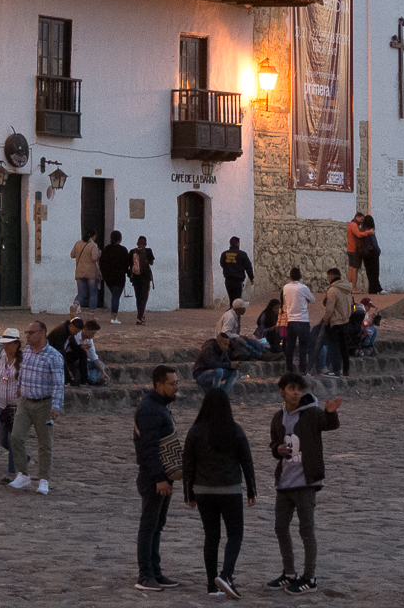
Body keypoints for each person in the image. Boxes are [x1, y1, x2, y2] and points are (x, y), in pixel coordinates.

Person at [267, 372, 342, 595]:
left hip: (306, 482)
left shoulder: (311, 414)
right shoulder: (277, 417)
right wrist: (276, 449)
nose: (296, 392)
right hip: (284, 482)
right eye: (291, 388)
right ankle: (289, 573)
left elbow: (329, 425)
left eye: (299, 388)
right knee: (280, 527)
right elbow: (274, 443)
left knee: (306, 530)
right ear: (282, 391)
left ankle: (310, 577)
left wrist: (330, 414)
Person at [183, 387, 256, 600]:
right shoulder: (234, 430)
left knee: (211, 536)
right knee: (235, 534)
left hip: (204, 491)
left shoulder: (195, 431)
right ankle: (226, 574)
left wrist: (188, 494)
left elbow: (188, 464)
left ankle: (211, 585)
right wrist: (252, 490)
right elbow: (246, 461)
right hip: (230, 490)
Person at [134, 364, 182, 591]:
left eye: (176, 383)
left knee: (157, 525)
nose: (175, 388)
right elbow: (148, 448)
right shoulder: (150, 409)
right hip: (154, 477)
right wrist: (159, 478)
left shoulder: (158, 406)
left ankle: (155, 571)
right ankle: (145, 575)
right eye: (172, 384)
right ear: (158, 385)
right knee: (149, 525)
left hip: (162, 476)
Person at [8, 318, 63, 494]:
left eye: (31, 333)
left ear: (42, 333)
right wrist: (19, 387)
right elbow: (21, 373)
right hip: (25, 402)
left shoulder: (54, 356)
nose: (28, 336)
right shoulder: (27, 353)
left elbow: (58, 383)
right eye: (27, 333)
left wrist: (55, 406)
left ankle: (44, 479)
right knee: (16, 436)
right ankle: (22, 473)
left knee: (45, 443)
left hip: (44, 404)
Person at [0, 327, 23, 481]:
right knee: (2, 439)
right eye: (4, 343)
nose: (6, 346)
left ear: (16, 344)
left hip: (17, 406)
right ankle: (21, 456)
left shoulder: (23, 362)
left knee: (12, 438)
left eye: (9, 343)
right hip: (2, 404)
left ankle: (11, 473)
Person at [318, 268, 354, 377]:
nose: (328, 279)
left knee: (334, 348)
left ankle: (336, 370)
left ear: (331, 277)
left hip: (335, 323)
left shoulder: (332, 290)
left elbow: (329, 309)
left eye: (328, 277)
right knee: (344, 347)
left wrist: (326, 321)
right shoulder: (347, 289)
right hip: (345, 321)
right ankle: (346, 370)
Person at [280, 268, 316, 374]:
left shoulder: (285, 287)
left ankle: (289, 368)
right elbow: (313, 299)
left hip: (291, 320)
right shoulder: (303, 288)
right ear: (300, 276)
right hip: (303, 320)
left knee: (290, 346)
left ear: (290, 276)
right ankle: (302, 369)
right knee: (303, 347)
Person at [194, 332, 240, 397]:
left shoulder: (222, 349)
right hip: (201, 375)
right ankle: (215, 397)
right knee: (219, 371)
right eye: (225, 344)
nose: (227, 347)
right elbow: (212, 365)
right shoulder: (209, 348)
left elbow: (227, 362)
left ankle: (222, 396)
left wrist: (233, 366)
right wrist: (229, 365)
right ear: (219, 342)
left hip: (213, 374)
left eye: (228, 344)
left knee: (235, 373)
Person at [100, 230, 132, 324]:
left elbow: (102, 263)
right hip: (119, 277)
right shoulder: (123, 250)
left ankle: (114, 316)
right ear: (120, 239)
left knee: (114, 296)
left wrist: (104, 274)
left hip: (109, 277)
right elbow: (127, 264)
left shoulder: (107, 249)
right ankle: (114, 317)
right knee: (116, 297)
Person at [70, 231, 103, 310]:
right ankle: (91, 316)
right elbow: (94, 258)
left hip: (80, 272)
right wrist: (99, 253)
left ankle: (74, 306)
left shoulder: (78, 244)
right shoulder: (93, 245)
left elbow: (72, 255)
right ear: (93, 236)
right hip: (91, 273)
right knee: (93, 294)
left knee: (81, 293)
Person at [220, 237, 256, 308]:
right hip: (238, 280)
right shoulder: (242, 254)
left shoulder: (224, 254)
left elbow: (222, 264)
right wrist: (251, 278)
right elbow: (248, 267)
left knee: (231, 299)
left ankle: (231, 311)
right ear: (237, 244)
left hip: (228, 280)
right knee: (238, 301)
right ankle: (236, 316)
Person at [129, 236, 156, 324]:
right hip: (145, 277)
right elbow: (151, 263)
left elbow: (129, 264)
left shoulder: (132, 251)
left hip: (136, 278)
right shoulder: (148, 251)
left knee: (138, 297)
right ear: (146, 243)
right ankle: (140, 317)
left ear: (137, 243)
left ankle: (140, 316)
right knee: (144, 298)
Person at [357, 215, 382, 294]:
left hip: (365, 254)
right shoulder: (370, 231)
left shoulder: (362, 231)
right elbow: (374, 242)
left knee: (369, 272)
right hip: (372, 252)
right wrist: (378, 251)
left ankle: (372, 289)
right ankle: (375, 289)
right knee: (375, 272)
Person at [343, 213, 364, 289]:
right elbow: (358, 234)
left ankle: (351, 287)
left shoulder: (350, 224)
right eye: (361, 219)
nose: (362, 221)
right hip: (354, 250)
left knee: (351, 268)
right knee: (355, 269)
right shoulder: (354, 225)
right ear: (357, 217)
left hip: (350, 249)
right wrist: (368, 232)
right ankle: (354, 288)